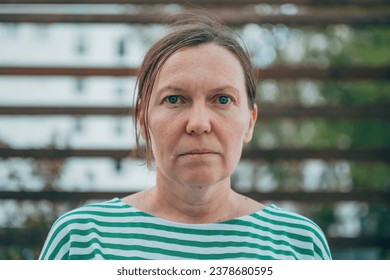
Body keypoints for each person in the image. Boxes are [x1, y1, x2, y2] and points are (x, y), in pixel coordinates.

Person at [39, 11, 331, 260]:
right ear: (143, 120)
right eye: (175, 100)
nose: (199, 123)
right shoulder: (81, 240)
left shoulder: (299, 244)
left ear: (250, 122)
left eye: (223, 100)